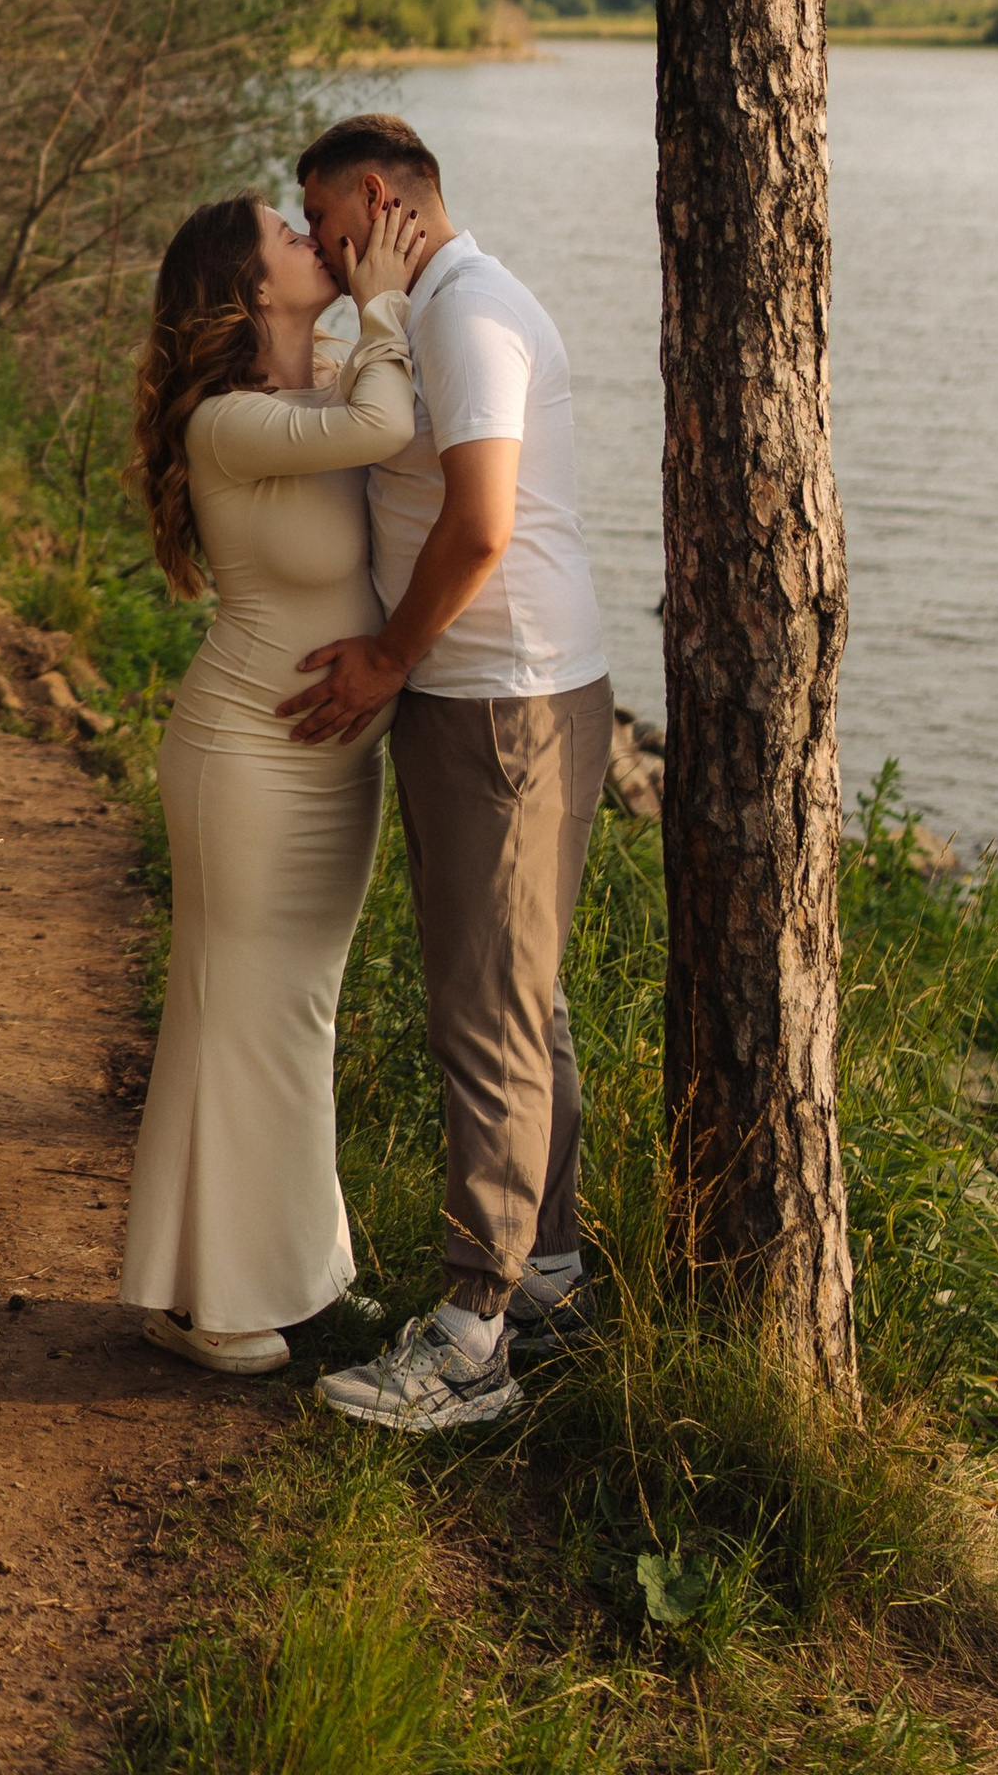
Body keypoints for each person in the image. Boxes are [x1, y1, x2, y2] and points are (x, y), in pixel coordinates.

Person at [284, 112, 612, 1434]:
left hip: (503, 699)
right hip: (485, 697)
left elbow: (479, 525)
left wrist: (383, 659)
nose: (316, 248)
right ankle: (548, 1273)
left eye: (324, 224)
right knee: (519, 998)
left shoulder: (469, 312)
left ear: (376, 198)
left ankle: (473, 1341)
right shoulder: (418, 310)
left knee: (488, 1014)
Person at [118, 187, 431, 1375]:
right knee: (259, 1018)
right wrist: (388, 301)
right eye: (289, 236)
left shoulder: (312, 384)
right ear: (251, 290)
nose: (316, 241)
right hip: (245, 760)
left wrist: (378, 318)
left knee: (270, 1015)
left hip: (319, 766)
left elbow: (381, 412)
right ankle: (246, 1304)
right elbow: (380, 428)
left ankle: (230, 1283)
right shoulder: (225, 422)